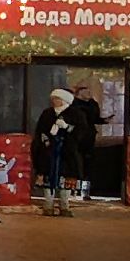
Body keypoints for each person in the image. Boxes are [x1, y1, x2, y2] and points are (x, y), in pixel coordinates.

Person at [33, 89, 93, 217]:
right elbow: (40, 130)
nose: (54, 101)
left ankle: (64, 205)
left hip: (67, 153)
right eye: (53, 99)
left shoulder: (76, 114)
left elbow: (83, 131)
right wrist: (45, 138)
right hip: (49, 152)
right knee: (48, 178)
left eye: (57, 98)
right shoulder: (47, 113)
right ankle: (48, 206)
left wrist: (67, 127)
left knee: (65, 179)